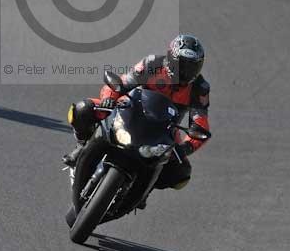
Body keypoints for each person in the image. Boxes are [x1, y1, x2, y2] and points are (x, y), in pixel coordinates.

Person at [63, 34, 211, 192]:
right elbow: (122, 83)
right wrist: (109, 99)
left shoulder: (199, 88)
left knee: (181, 174)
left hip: (165, 131)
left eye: (192, 67)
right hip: (131, 111)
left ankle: (142, 189)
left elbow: (200, 124)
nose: (186, 72)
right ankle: (81, 146)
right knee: (82, 109)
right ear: (171, 59)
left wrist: (186, 147)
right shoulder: (153, 64)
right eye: (182, 65)